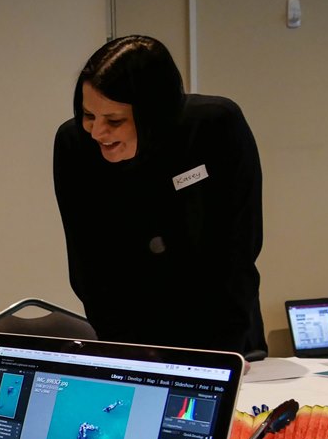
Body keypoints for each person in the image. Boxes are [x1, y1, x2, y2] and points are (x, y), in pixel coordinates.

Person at [53, 34, 267, 356]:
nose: (97, 132)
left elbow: (239, 249)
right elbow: (88, 269)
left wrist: (223, 352)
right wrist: (127, 352)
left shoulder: (215, 127)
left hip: (223, 330)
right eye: (88, 115)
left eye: (114, 120)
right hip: (130, 334)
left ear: (154, 114)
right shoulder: (75, 146)